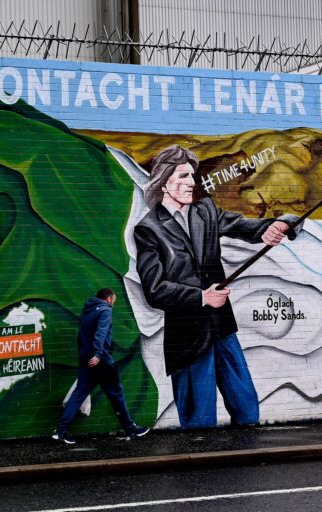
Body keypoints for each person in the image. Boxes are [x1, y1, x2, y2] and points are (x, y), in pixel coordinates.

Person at [133, 145, 298, 429]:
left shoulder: (204, 211)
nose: (191, 183)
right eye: (183, 176)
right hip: (188, 337)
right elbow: (155, 289)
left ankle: (245, 465)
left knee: (247, 407)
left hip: (222, 328)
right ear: (164, 180)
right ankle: (199, 470)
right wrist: (201, 297)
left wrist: (275, 226)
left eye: (192, 176)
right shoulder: (149, 229)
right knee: (199, 421)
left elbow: (242, 226)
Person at [52, 288, 150, 444]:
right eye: (113, 301)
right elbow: (101, 333)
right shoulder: (105, 311)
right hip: (101, 360)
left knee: (79, 394)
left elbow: (81, 336)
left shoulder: (87, 310)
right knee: (116, 394)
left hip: (86, 360)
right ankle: (130, 428)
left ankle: (60, 432)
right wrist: (98, 354)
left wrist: (86, 355)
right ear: (109, 298)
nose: (113, 305)